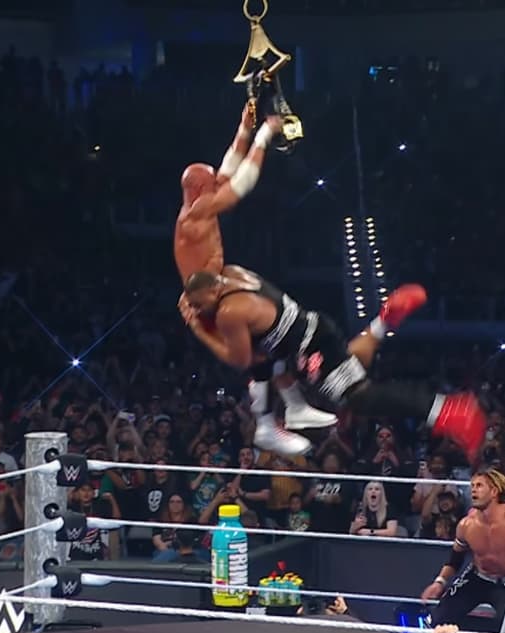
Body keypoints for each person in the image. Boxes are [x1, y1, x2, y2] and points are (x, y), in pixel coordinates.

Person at [175, 103, 336, 455]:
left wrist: (245, 128)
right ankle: (265, 424)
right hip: (207, 300)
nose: (218, 179)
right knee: (253, 357)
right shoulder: (197, 215)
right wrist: (265, 135)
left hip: (219, 284)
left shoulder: (200, 201)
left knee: (272, 347)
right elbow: (242, 183)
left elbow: (228, 169)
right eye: (211, 180)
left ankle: (292, 406)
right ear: (200, 189)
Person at [180, 270, 485, 455]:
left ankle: (447, 410)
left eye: (198, 304)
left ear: (214, 290)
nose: (196, 310)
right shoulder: (232, 274)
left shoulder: (228, 312)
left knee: (357, 397)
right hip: (312, 327)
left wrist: (197, 330)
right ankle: (382, 321)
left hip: (307, 348)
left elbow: (240, 359)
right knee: (348, 366)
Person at [406, 469, 505, 633]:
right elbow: (455, 560)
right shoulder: (466, 525)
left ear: (494, 491)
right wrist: (439, 582)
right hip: (478, 577)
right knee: (434, 620)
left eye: (479, 486)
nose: (473, 490)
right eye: (472, 486)